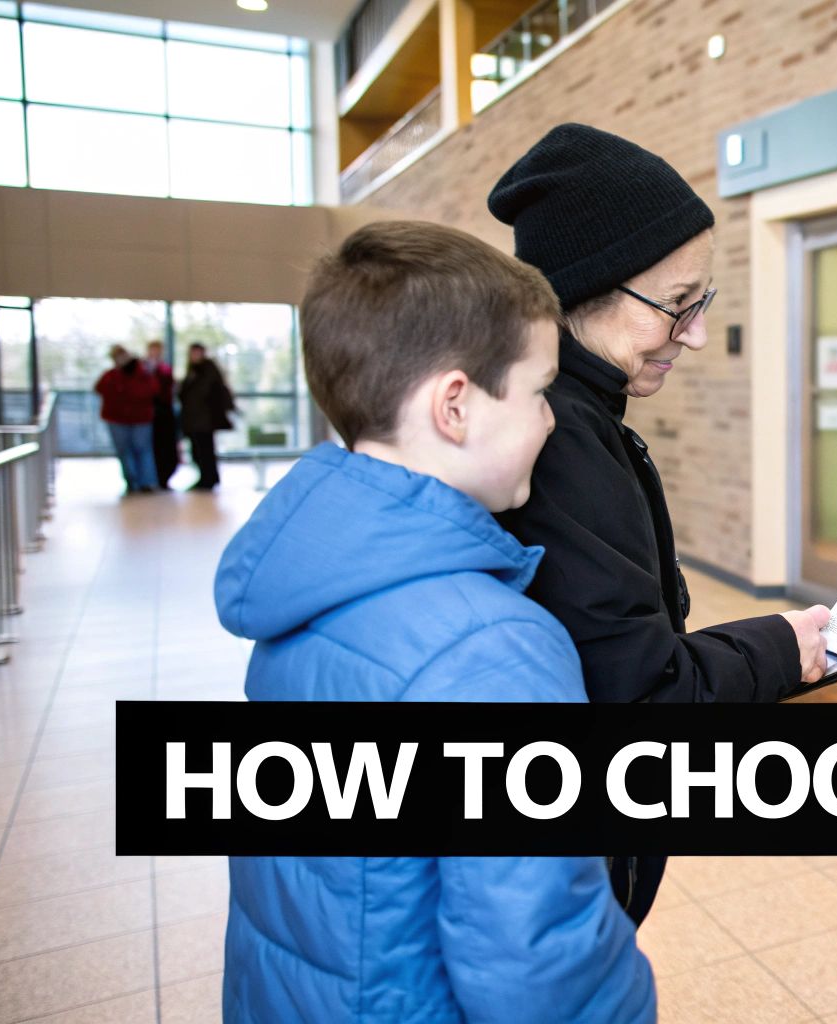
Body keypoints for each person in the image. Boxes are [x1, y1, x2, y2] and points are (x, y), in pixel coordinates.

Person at [213, 220, 654, 1023]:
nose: (553, 421)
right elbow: (538, 955)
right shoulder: (493, 653)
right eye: (539, 391)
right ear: (455, 405)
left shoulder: (308, 587)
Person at [488, 124, 831, 924]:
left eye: (701, 302)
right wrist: (782, 647)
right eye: (676, 306)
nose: (699, 333)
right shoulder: (556, 442)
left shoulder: (575, 413)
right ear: (584, 287)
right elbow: (639, 694)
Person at [93, 345, 158, 495]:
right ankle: (131, 481)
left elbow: (152, 390)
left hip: (140, 418)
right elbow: (99, 389)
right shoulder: (110, 375)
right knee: (124, 450)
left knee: (143, 450)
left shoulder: (142, 372)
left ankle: (147, 482)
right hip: (117, 419)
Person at [178, 343, 235, 491]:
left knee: (205, 450)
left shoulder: (207, 370)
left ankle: (208, 479)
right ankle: (207, 477)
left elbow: (203, 394)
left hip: (204, 420)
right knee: (200, 450)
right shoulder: (193, 370)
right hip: (195, 419)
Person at [143, 340, 179, 489]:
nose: (155, 354)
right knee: (151, 448)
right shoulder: (143, 369)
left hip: (165, 414)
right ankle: (151, 479)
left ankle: (164, 477)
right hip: (149, 415)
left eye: (158, 350)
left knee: (167, 448)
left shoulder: (165, 369)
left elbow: (166, 389)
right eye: (153, 350)